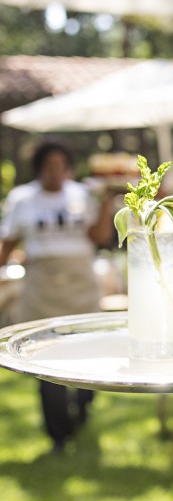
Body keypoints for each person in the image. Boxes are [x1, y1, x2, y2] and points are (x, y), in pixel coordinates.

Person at [0, 138, 114, 453]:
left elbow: (100, 236)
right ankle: (59, 435)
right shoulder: (22, 199)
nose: (55, 172)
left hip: (81, 287)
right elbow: (6, 246)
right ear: (38, 168)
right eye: (48, 166)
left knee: (88, 352)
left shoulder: (84, 194)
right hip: (43, 290)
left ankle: (83, 400)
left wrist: (106, 203)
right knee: (45, 362)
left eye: (60, 165)